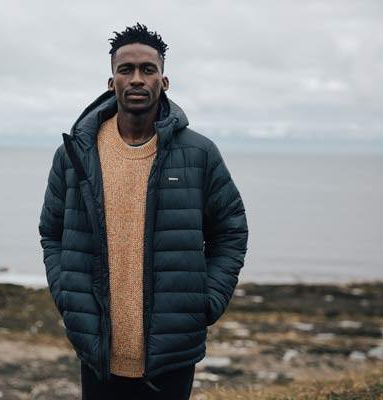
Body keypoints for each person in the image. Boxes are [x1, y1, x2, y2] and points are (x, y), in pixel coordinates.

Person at [39, 22, 248, 400]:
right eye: (126, 69)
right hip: (97, 351)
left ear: (163, 82)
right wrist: (67, 295)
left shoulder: (199, 154)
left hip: (171, 352)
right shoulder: (74, 156)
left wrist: (206, 302)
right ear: (111, 82)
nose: (137, 78)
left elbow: (231, 232)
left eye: (148, 70)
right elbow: (52, 233)